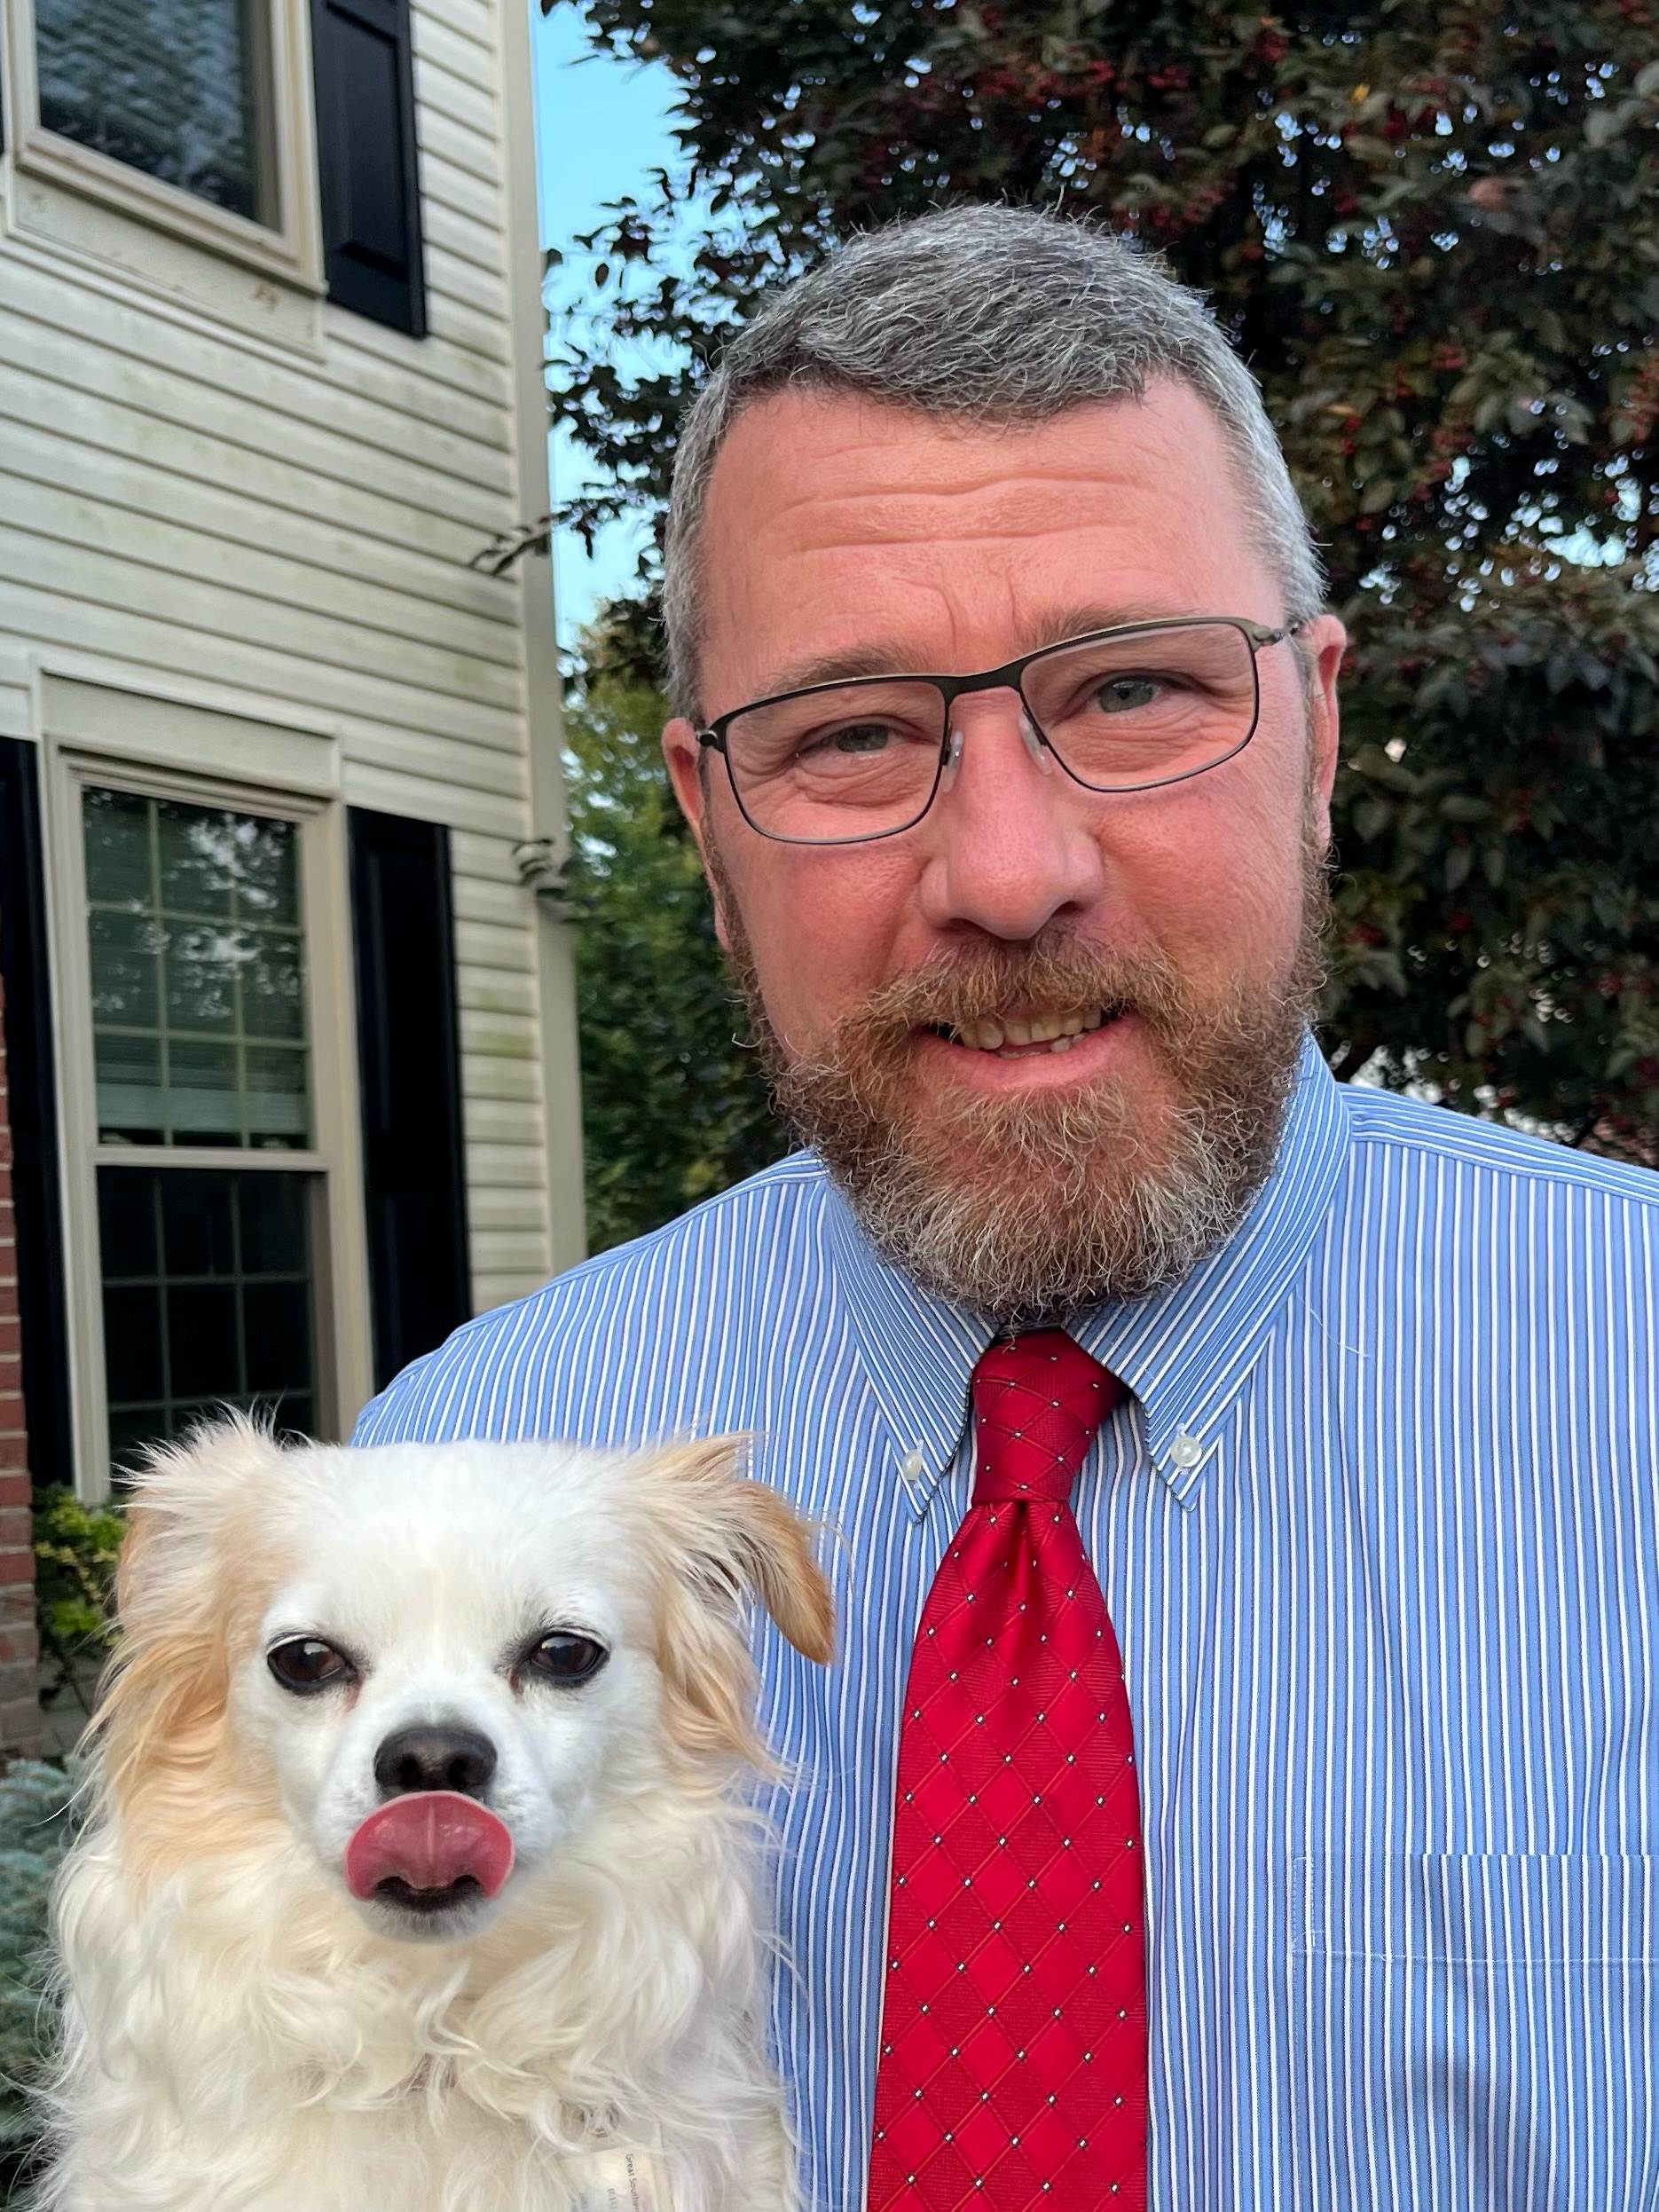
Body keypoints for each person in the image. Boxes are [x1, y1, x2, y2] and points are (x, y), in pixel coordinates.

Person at [355, 207, 1659, 2210]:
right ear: (708, 828)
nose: (1007, 866)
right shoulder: (453, 1480)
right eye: (855, 734)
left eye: (1133, 690)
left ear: (1312, 729)